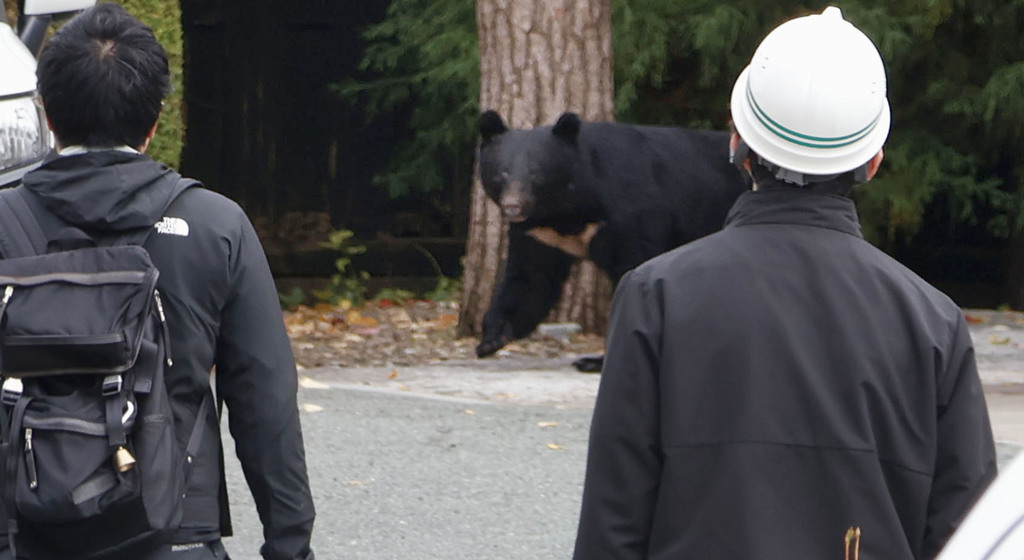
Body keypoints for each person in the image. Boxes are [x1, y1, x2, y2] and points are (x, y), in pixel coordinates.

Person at [573, 7, 996, 560]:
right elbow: (969, 537)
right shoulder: (932, 321)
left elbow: (614, 521)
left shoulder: (656, 296)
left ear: (736, 143)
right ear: (872, 160)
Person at [0, 3, 316, 559]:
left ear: (47, 113)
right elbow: (265, 403)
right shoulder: (216, 226)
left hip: (22, 533)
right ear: (154, 121)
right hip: (175, 532)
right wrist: (289, 546)